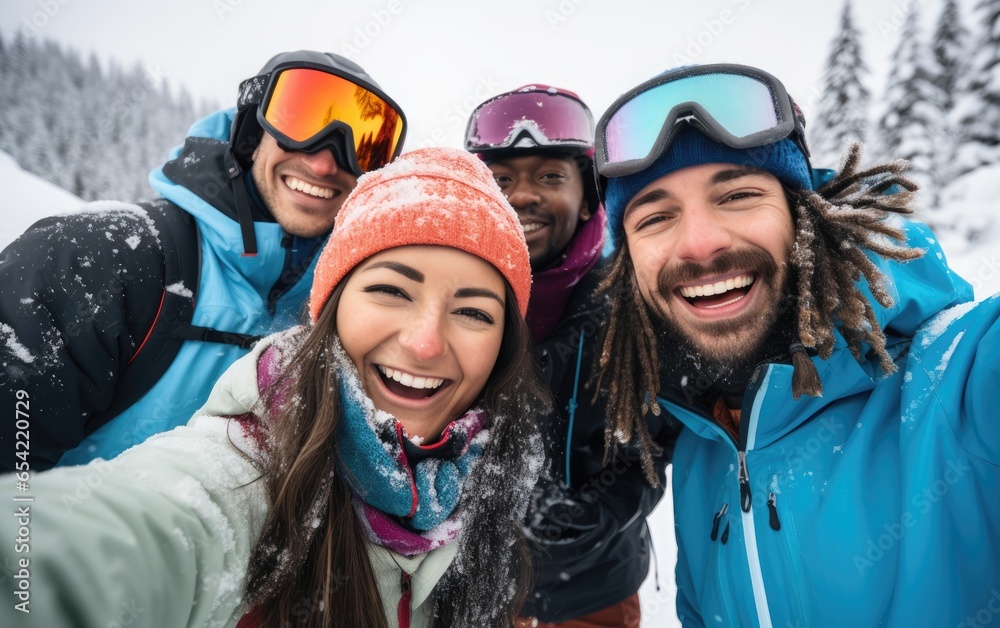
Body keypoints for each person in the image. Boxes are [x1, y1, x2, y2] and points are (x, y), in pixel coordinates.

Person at [0, 147, 550, 628]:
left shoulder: (489, 477)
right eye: (391, 291)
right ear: (331, 309)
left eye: (473, 312)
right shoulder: (248, 471)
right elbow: (132, 536)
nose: (426, 343)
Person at [591, 63, 1000, 627]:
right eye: (655, 216)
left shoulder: (958, 380)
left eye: (737, 195)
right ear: (628, 267)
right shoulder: (697, 451)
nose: (701, 242)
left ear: (804, 219)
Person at [0, 50, 407, 472]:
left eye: (361, 145)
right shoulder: (99, 256)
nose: (324, 163)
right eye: (299, 123)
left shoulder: (346, 313)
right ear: (251, 134)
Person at [465, 85, 678, 626]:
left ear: (587, 198)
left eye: (549, 177)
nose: (523, 196)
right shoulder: (451, 298)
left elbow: (659, 437)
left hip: (594, 585)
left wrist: (600, 516)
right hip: (474, 585)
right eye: (502, 180)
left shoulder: (633, 304)